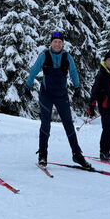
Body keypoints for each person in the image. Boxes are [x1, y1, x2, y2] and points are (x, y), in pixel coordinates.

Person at [24, 32, 92, 169]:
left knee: (68, 124)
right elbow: (34, 70)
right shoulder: (44, 55)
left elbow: (73, 72)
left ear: (63, 44)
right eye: (55, 41)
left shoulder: (67, 57)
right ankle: (42, 155)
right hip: (46, 94)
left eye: (60, 42)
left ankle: (77, 154)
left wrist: (77, 88)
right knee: (45, 124)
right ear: (51, 43)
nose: (57, 44)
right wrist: (27, 86)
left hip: (61, 95)